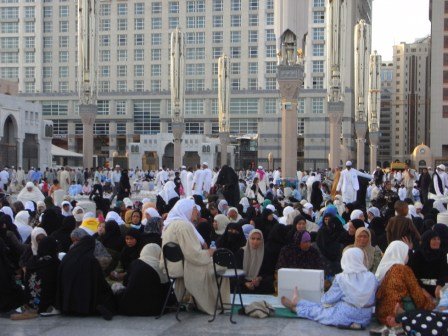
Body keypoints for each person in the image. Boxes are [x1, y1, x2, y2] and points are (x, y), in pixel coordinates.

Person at [281, 248, 378, 330]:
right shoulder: (372, 277)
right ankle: (298, 301)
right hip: (364, 319)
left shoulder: (342, 278)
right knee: (330, 307)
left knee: (321, 311)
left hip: (344, 316)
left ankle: (296, 308)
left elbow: (327, 300)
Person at [161, 199, 227, 315]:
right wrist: (209, 253)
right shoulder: (184, 226)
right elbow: (193, 254)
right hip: (186, 266)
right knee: (221, 268)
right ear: (187, 210)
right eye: (194, 209)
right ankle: (218, 304)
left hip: (172, 266)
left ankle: (195, 300)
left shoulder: (169, 225)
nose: (197, 212)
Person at [375, 241, 435, 327]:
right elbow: (417, 295)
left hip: (382, 315)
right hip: (397, 314)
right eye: (406, 253)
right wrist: (430, 306)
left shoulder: (383, 269)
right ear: (401, 253)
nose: (408, 256)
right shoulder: (403, 269)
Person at [55, 235, 116, 320]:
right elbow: (100, 283)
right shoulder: (91, 261)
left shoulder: (67, 257)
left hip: (66, 304)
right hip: (84, 305)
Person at [116, 244, 171, 316]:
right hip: (153, 309)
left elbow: (126, 282)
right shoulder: (159, 267)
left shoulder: (135, 263)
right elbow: (166, 288)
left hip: (129, 307)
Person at [408, 230, 448, 298]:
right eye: (434, 239)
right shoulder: (418, 254)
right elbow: (414, 276)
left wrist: (439, 286)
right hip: (421, 288)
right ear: (427, 240)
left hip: (438, 287)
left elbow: (443, 272)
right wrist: (423, 291)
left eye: (438, 239)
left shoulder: (441, 254)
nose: (437, 241)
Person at [236, 229, 274, 294]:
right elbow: (236, 271)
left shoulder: (266, 253)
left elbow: (269, 272)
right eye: (253, 238)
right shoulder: (241, 252)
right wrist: (245, 283)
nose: (255, 241)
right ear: (248, 239)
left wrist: (259, 278)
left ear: (262, 240)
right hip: (243, 282)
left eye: (258, 239)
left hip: (260, 284)